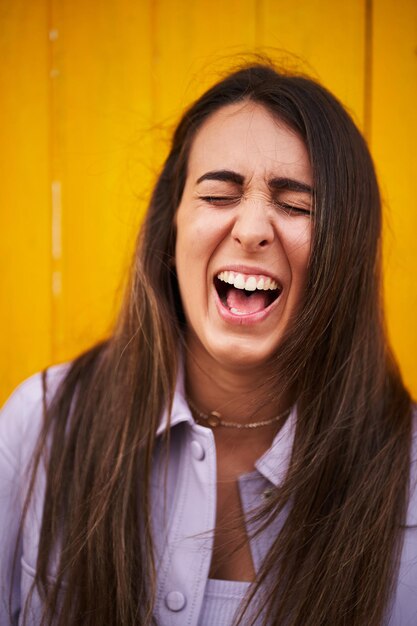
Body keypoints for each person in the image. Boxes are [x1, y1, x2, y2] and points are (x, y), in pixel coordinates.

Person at [0, 62, 415, 626]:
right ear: (169, 233)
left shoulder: (407, 474)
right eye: (219, 194)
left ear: (346, 255)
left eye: (296, 206)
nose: (252, 228)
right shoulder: (41, 425)